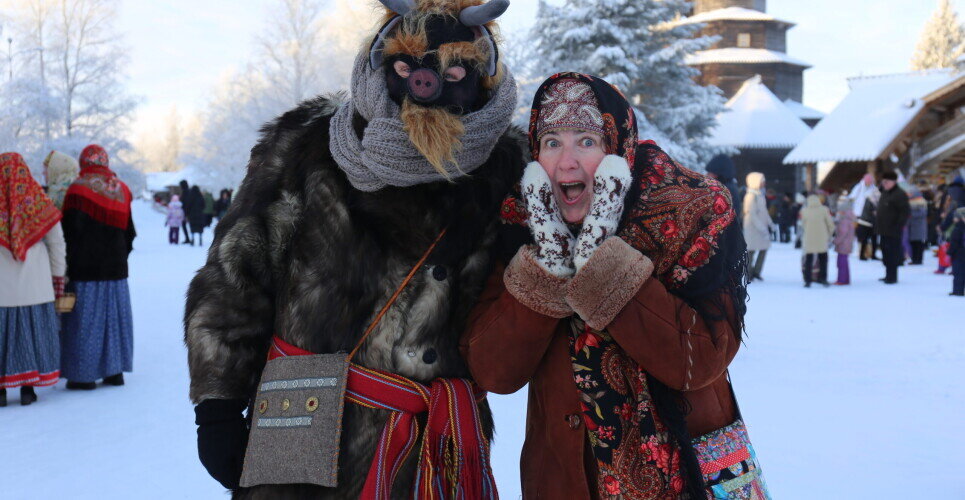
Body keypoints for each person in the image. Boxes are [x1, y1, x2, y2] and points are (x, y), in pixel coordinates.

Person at [184, 0, 521, 495]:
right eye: (406, 67)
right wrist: (217, 404)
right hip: (302, 413)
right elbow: (236, 272)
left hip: (434, 441)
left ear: (480, 73)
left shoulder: (510, 168)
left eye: (451, 70)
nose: (423, 85)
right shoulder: (309, 142)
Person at [463, 74, 766, 500]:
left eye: (586, 141)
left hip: (686, 477)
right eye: (551, 142)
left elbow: (698, 362)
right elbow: (494, 371)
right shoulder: (521, 224)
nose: (566, 163)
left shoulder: (690, 211)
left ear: (616, 145)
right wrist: (549, 265)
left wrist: (602, 264)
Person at [60, 145, 136, 390]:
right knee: (113, 322)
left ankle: (84, 376)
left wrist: (67, 262)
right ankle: (114, 373)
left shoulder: (77, 190)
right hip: (116, 271)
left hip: (85, 270)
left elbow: (70, 232)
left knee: (86, 323)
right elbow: (130, 233)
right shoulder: (122, 190)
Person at [0, 153, 66, 407]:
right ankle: (28, 389)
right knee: (30, 337)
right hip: (36, 287)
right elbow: (56, 243)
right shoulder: (39, 201)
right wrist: (58, 276)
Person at [875, 171, 910, 284]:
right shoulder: (885, 192)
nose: (884, 184)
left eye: (887, 181)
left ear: (893, 182)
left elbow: (905, 212)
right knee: (885, 252)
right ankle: (887, 274)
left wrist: (898, 226)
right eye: (883, 181)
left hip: (893, 230)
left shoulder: (899, 194)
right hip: (883, 229)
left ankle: (892, 276)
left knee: (893, 253)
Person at [800, 194, 834, 287]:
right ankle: (823, 279)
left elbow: (802, 224)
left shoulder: (804, 211)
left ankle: (807, 280)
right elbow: (830, 224)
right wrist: (829, 234)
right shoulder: (824, 210)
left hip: (809, 238)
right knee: (823, 259)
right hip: (822, 238)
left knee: (809, 260)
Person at [743, 172, 772, 280]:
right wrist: (761, 227)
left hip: (761, 228)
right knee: (751, 251)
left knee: (763, 249)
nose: (764, 183)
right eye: (762, 181)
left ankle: (757, 271)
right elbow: (752, 214)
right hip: (752, 229)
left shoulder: (760, 195)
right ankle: (749, 273)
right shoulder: (750, 196)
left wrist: (770, 223)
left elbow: (764, 212)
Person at [704, 154, 741, 220]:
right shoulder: (726, 187)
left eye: (710, 172)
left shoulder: (725, 190)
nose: (707, 175)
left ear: (717, 173)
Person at [833, 197, 857, 285]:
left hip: (843, 244)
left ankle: (841, 279)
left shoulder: (844, 220)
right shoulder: (850, 219)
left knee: (841, 263)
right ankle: (846, 279)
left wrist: (835, 241)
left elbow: (842, 233)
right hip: (847, 244)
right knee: (845, 262)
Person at [908, 188, 928, 265]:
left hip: (919, 226)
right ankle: (914, 259)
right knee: (913, 243)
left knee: (918, 244)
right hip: (913, 226)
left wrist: (911, 215)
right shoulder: (911, 202)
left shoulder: (921, 202)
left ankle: (918, 260)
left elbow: (922, 213)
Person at [948, 207, 965, 296]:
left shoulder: (958, 228)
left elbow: (954, 243)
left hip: (958, 255)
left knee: (958, 273)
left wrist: (949, 252)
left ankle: (958, 291)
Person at [178, 180, 193, 244]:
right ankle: (190, 238)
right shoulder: (189, 191)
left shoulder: (185, 192)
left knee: (184, 225)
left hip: (185, 212)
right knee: (190, 225)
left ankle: (188, 238)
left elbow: (185, 203)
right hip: (189, 211)